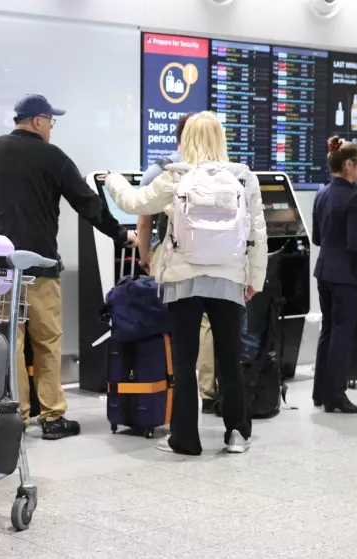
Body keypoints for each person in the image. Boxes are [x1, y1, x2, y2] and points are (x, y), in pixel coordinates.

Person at [0, 94, 137, 440]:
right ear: (37, 121)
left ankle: (14, 416)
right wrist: (121, 234)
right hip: (40, 266)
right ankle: (52, 417)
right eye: (50, 121)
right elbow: (87, 203)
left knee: (9, 341)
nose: (51, 128)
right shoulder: (53, 157)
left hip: (0, 268)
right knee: (47, 341)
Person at [105, 111, 267, 455]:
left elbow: (133, 202)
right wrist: (255, 278)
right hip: (229, 279)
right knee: (229, 358)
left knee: (183, 361)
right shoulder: (243, 177)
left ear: (186, 139)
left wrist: (113, 180)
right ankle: (237, 434)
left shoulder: (176, 177)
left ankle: (185, 439)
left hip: (183, 279)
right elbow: (257, 233)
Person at [136, 113, 216, 412]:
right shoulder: (219, 170)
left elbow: (144, 222)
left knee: (176, 322)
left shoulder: (158, 171)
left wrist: (145, 257)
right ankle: (209, 392)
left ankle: (169, 390)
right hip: (212, 257)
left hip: (171, 257)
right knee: (206, 321)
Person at [312, 137, 357, 414]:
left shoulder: (322, 193)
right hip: (346, 276)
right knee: (342, 335)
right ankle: (336, 396)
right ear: (348, 164)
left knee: (327, 332)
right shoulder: (354, 197)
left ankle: (320, 392)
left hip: (325, 271)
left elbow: (317, 238)